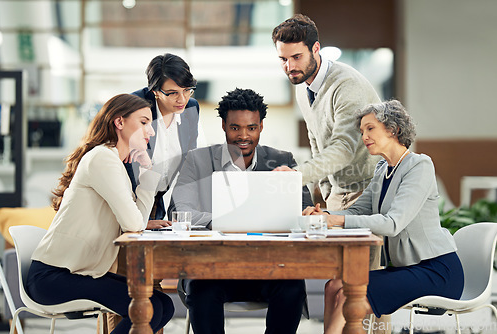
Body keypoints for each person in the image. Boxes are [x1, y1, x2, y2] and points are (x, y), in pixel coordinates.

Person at [303, 100, 464, 334]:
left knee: (350, 295)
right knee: (333, 286)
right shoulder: (382, 169)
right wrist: (325, 214)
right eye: (362, 131)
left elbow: (393, 223)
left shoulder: (419, 166)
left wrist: (335, 221)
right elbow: (358, 211)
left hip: (436, 271)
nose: (364, 136)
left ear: (393, 129)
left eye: (370, 128)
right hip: (407, 269)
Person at [26, 94, 174, 334]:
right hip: (54, 278)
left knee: (163, 305)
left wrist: (146, 178)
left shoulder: (111, 160)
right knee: (151, 308)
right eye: (144, 122)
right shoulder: (102, 158)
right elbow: (133, 223)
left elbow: (135, 219)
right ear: (120, 122)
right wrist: (147, 174)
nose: (151, 131)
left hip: (77, 272)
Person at [170, 88, 311, 334]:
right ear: (224, 125)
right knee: (202, 290)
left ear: (261, 127)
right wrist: (228, 221)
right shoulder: (196, 161)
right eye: (235, 128)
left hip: (268, 268)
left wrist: (311, 215)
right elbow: (182, 212)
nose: (243, 136)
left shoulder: (282, 160)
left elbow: (302, 211)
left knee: (293, 287)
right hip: (212, 269)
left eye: (251, 128)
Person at [272, 14, 381, 211]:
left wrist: (297, 175)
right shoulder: (302, 87)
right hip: (338, 194)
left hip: (368, 190)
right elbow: (315, 141)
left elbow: (344, 147)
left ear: (315, 49)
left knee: (366, 243)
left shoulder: (346, 85)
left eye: (297, 57)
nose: (290, 67)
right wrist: (327, 190)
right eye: (283, 59)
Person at [126, 53, 200, 229]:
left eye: (187, 90)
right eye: (173, 93)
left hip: (156, 205)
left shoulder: (191, 108)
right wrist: (140, 220)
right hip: (126, 204)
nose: (182, 99)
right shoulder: (135, 108)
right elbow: (124, 166)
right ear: (155, 91)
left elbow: (189, 161)